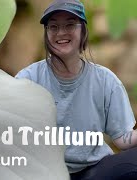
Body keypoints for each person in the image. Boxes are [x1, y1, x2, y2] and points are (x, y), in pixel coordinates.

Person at [15, 0, 137, 179]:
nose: (61, 33)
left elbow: (122, 140)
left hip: (96, 171)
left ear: (83, 31)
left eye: (70, 25)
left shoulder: (105, 80)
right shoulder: (28, 79)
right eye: (53, 27)